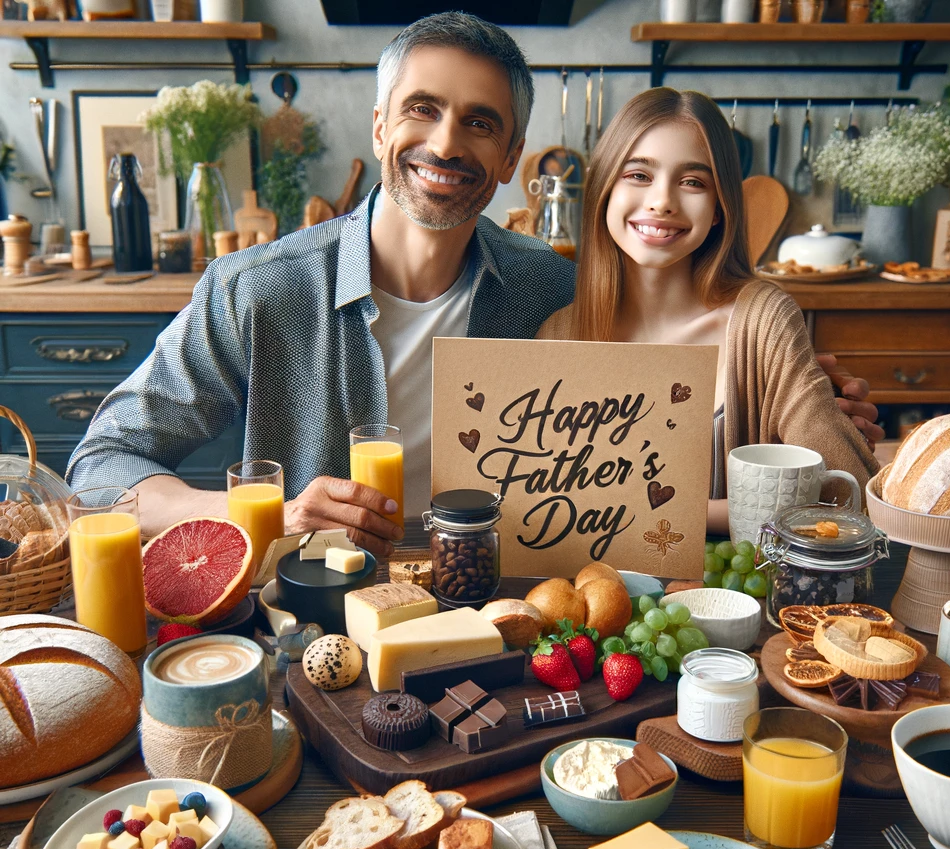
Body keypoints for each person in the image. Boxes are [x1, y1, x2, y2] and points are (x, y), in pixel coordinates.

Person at [68, 16, 880, 558]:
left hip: (500, 605)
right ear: (382, 125)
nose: (446, 143)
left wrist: (804, 394)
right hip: (311, 616)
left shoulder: (549, 294)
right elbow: (100, 464)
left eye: (480, 123)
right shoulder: (258, 291)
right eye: (422, 110)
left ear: (510, 155)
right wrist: (261, 513)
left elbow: (644, 430)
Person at [537, 88, 879, 534]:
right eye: (638, 175)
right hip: (597, 594)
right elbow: (536, 507)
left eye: (693, 182)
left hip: (739, 599)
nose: (662, 201)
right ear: (604, 190)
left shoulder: (762, 322)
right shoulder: (558, 335)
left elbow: (848, 495)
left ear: (719, 208)